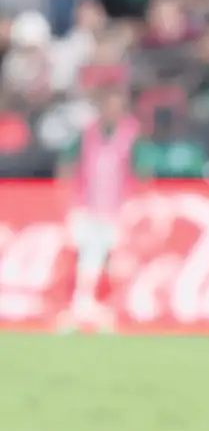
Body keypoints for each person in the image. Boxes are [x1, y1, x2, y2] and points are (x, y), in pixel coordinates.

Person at [58, 81, 140, 330]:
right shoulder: (87, 134)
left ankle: (102, 307)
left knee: (114, 260)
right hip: (88, 206)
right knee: (89, 255)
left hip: (117, 208)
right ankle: (84, 307)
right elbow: (68, 164)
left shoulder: (131, 135)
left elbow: (141, 170)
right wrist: (67, 197)